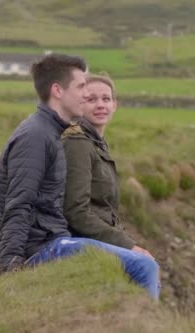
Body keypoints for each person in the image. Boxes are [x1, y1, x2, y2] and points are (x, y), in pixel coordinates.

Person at [0, 54, 160, 299]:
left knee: (141, 265)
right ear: (58, 91)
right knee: (143, 266)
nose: (86, 94)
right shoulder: (35, 136)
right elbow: (18, 204)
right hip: (41, 248)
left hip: (56, 239)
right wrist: (10, 268)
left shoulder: (53, 132)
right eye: (81, 87)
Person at [62, 73, 154, 259]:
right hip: (80, 240)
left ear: (115, 105)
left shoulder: (95, 142)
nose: (100, 105)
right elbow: (75, 211)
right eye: (91, 99)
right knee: (145, 266)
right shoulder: (77, 143)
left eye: (106, 98)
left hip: (98, 237)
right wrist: (127, 245)